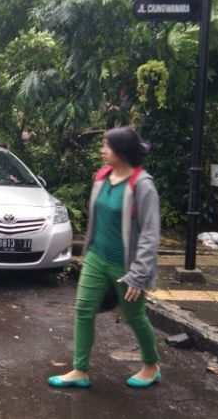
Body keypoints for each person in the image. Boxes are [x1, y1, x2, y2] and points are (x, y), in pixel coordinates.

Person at [48, 126, 161, 389]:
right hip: (96, 258)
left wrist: (138, 274)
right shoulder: (102, 177)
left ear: (122, 151)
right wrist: (88, 253)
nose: (102, 150)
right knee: (83, 311)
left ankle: (151, 365)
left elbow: (150, 234)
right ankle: (80, 370)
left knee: (135, 317)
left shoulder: (142, 185)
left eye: (106, 146)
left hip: (126, 266)